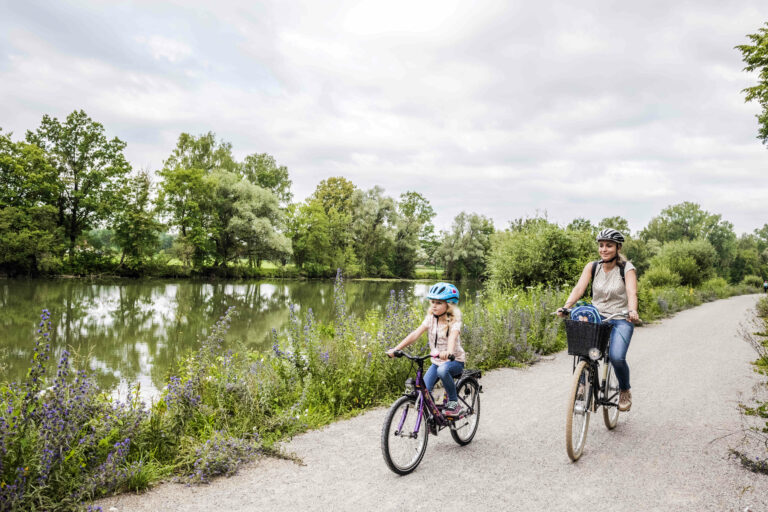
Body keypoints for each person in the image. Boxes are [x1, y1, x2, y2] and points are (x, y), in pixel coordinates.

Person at [557, 228, 639, 412]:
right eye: (601, 245)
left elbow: (631, 292)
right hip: (596, 317)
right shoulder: (592, 267)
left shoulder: (627, 268)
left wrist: (632, 310)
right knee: (584, 352)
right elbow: (579, 289)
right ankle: (582, 386)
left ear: (618, 247)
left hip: (620, 318)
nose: (604, 249)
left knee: (617, 357)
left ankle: (624, 390)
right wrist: (567, 307)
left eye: (609, 245)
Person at [387, 282, 466, 416]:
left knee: (442, 370)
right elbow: (415, 334)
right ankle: (432, 416)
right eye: (432, 302)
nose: (434, 305)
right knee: (423, 391)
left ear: (449, 305)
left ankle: (454, 402)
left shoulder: (454, 321)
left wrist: (449, 352)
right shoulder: (430, 319)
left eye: (439, 303)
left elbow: (452, 338)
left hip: (454, 361)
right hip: (436, 361)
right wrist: (396, 349)